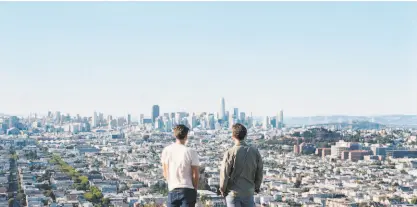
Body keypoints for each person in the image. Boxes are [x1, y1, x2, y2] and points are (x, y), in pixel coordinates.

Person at [220, 123, 263, 207]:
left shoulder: (230, 152)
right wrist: (256, 187)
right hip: (248, 192)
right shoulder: (255, 152)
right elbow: (259, 172)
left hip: (233, 193)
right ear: (245, 135)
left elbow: (224, 174)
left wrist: (222, 189)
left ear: (233, 136)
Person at [161, 125, 200, 207]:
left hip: (172, 189)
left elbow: (165, 173)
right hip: (188, 189)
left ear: (175, 135)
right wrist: (195, 189)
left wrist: (172, 182)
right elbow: (195, 174)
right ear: (186, 136)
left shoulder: (166, 150)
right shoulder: (191, 152)